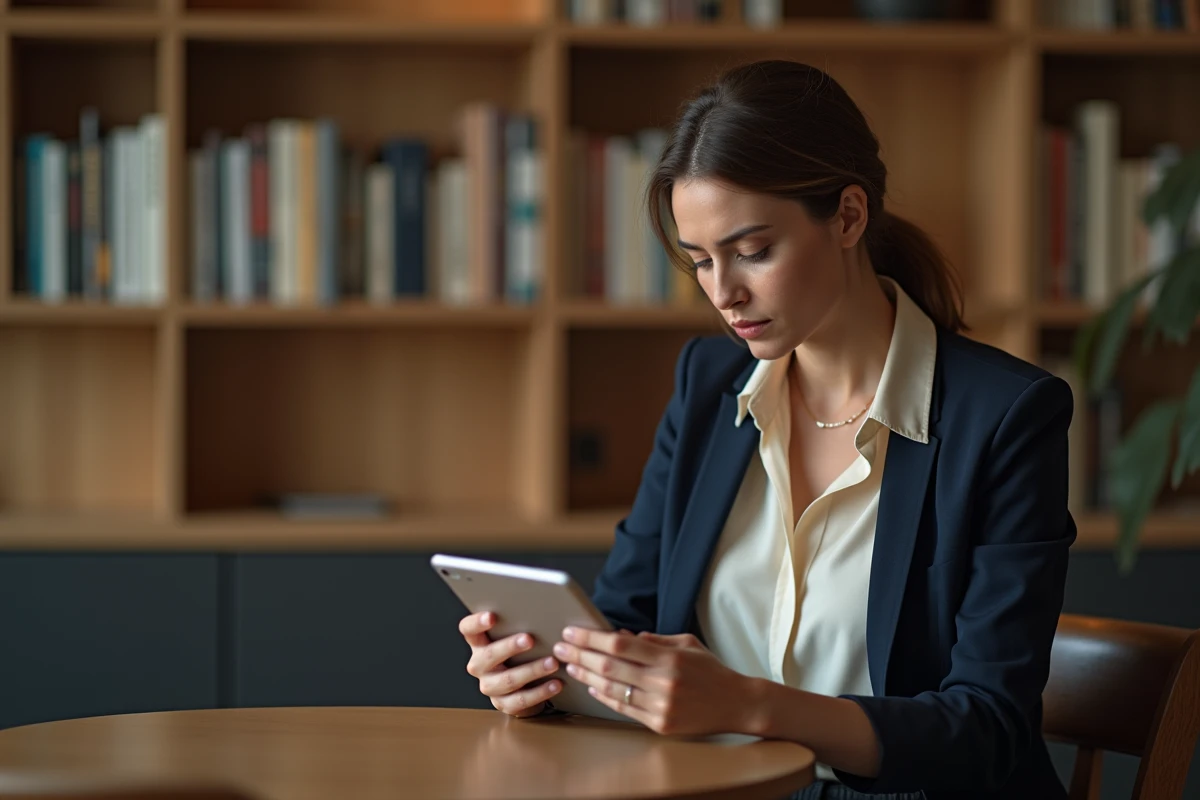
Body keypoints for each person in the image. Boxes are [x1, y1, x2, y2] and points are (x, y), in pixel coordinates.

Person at [457, 59, 1075, 800]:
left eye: (753, 252)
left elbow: (988, 729)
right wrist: (547, 674)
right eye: (701, 262)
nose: (725, 293)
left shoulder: (1005, 416)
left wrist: (750, 705)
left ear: (848, 216)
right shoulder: (709, 385)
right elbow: (625, 619)